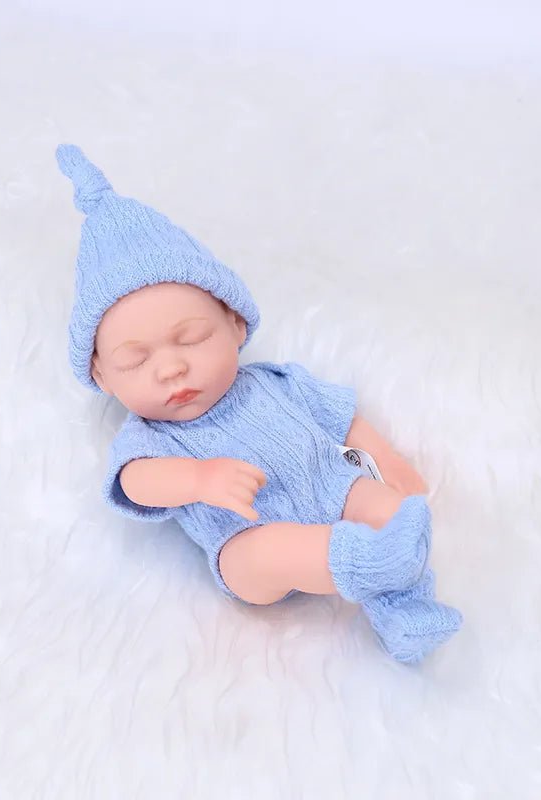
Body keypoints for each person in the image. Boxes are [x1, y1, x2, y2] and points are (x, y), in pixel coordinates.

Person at [55, 144, 462, 663]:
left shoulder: (277, 381)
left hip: (334, 491)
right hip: (248, 542)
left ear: (234, 324)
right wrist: (198, 481)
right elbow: (135, 481)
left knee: (387, 509)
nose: (170, 368)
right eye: (135, 362)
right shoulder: (150, 436)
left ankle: (405, 614)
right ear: (101, 376)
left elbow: (345, 420)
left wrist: (393, 463)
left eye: (192, 338)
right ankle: (369, 564)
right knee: (273, 552)